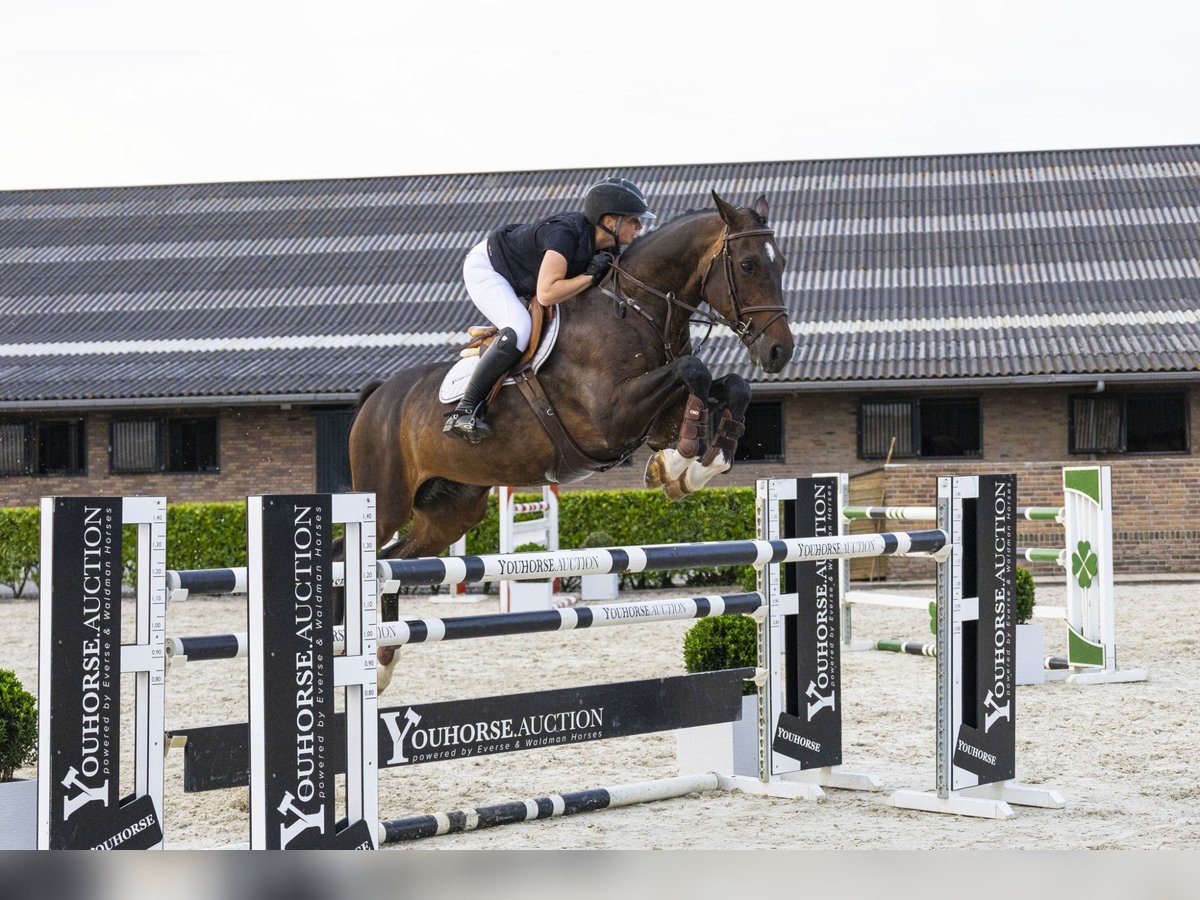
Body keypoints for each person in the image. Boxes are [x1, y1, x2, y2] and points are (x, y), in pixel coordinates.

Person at [444, 176, 656, 443]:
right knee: (518, 330)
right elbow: (546, 294)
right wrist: (589, 277)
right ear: (610, 221)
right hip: (488, 268)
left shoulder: (610, 245)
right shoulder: (564, 235)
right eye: (634, 220)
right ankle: (465, 409)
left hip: (525, 275)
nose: (640, 226)